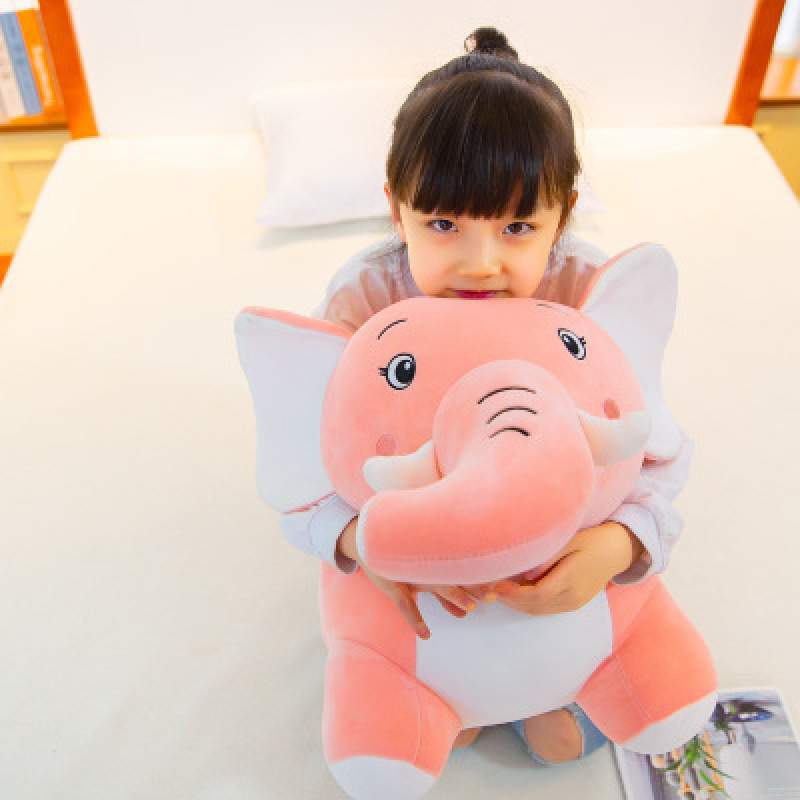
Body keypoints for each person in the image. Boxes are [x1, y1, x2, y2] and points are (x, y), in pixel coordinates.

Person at [280, 26, 691, 766]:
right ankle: (441, 693)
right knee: (406, 643)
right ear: (396, 209)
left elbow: (652, 442)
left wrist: (618, 545)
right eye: (442, 224)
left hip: (553, 530)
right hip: (424, 537)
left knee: (569, 712)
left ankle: (563, 680)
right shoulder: (364, 300)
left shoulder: (583, 289)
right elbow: (305, 467)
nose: (480, 262)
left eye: (518, 227)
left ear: (562, 216)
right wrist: (362, 544)